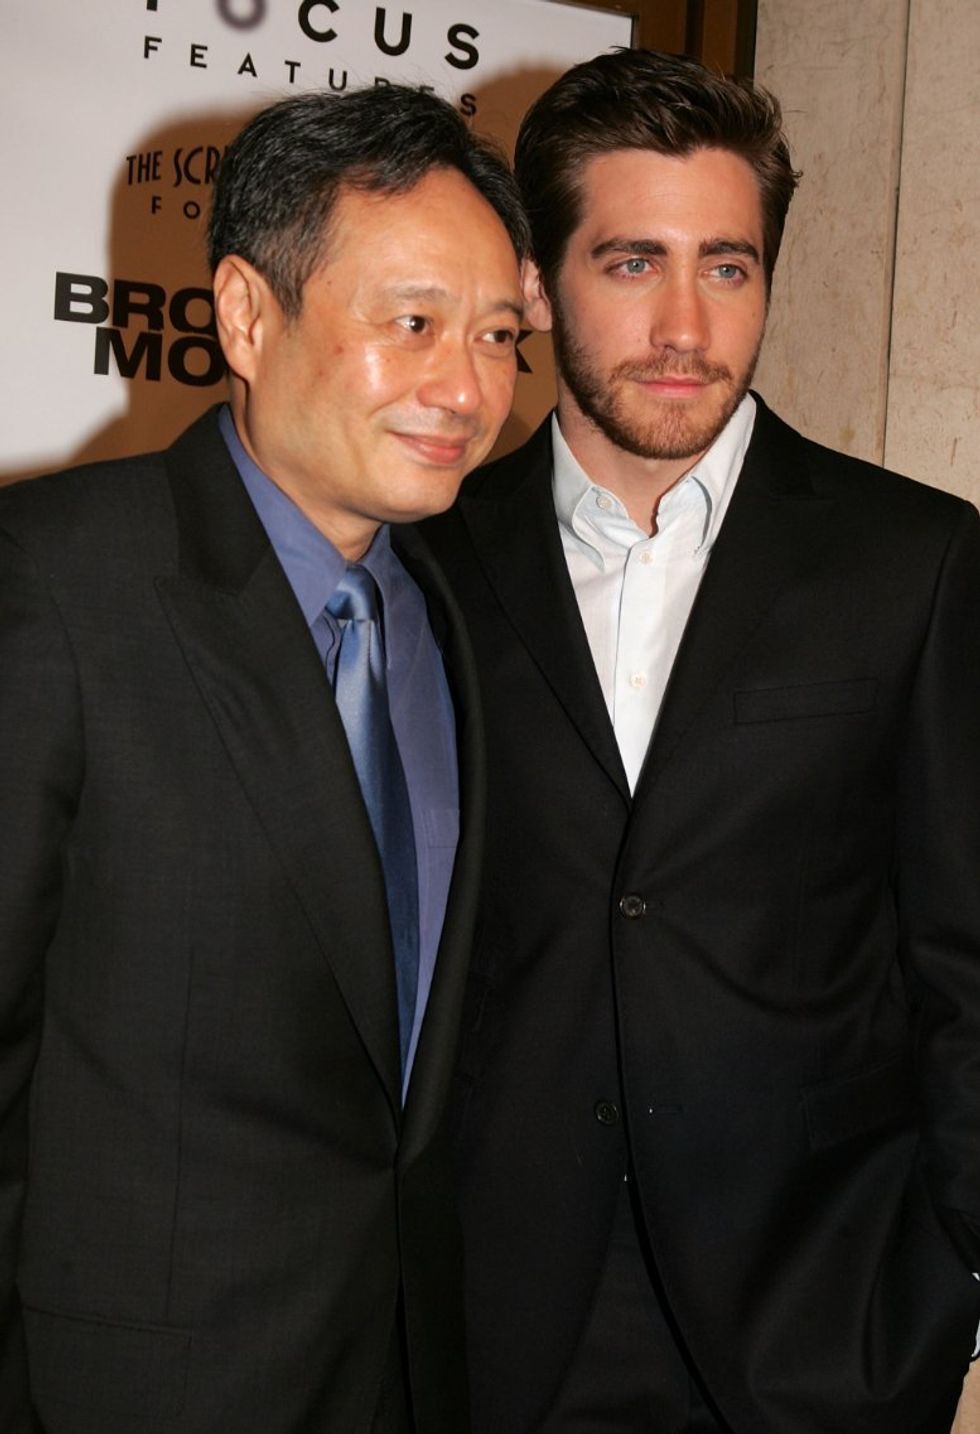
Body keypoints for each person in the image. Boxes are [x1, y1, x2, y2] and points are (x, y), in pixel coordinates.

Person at [419, 47, 980, 1434]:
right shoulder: (431, 561)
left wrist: (953, 1285)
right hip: (496, 1327)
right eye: (633, 264)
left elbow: (968, 962)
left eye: (727, 267)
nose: (686, 325)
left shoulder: (912, 562)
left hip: (819, 1329)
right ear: (537, 285)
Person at [0, 85, 527, 1434]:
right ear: (245, 315)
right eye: (412, 323)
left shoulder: (459, 613)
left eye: (497, 335)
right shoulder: (55, 582)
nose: (467, 389)